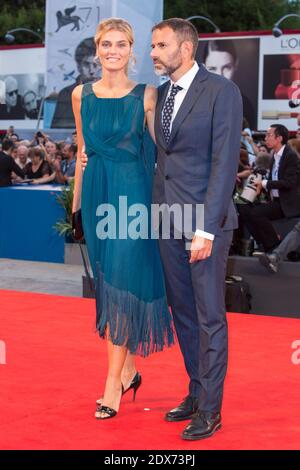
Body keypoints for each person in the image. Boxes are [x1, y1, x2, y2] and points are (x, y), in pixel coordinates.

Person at [72, 18, 174, 420]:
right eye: (105, 44)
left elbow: (161, 154)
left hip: (132, 200)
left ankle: (111, 385)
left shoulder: (147, 95)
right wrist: (76, 207)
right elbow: (82, 152)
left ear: (132, 50)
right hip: (97, 194)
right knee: (109, 285)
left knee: (122, 282)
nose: (112, 50)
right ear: (97, 50)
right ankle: (129, 370)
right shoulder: (81, 95)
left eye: (120, 44)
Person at [150, 18, 242, 440]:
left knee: (209, 317)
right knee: (183, 314)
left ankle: (211, 408)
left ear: (185, 49)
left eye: (160, 45)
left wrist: (205, 228)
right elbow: (165, 163)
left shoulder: (221, 91)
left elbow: (225, 163)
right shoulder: (164, 94)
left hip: (205, 224)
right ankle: (196, 389)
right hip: (167, 221)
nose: (153, 52)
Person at [239, 124, 300, 255]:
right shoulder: (274, 155)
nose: (265, 138)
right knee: (243, 208)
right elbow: (274, 181)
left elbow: (290, 183)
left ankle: (273, 245)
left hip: (287, 204)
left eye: (268, 135)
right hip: (275, 201)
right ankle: (264, 243)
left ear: (279, 138)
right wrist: (261, 186)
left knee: (256, 213)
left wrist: (265, 183)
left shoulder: (290, 155)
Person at [201, 39, 255, 129]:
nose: (220, 75)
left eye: (226, 68)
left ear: (236, 64)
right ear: (204, 68)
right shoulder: (195, 103)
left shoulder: (245, 106)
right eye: (212, 69)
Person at [51, 37, 100, 128]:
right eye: (86, 64)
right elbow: (58, 128)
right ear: (78, 67)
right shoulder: (66, 94)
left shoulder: (113, 93)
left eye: (96, 64)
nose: (92, 70)